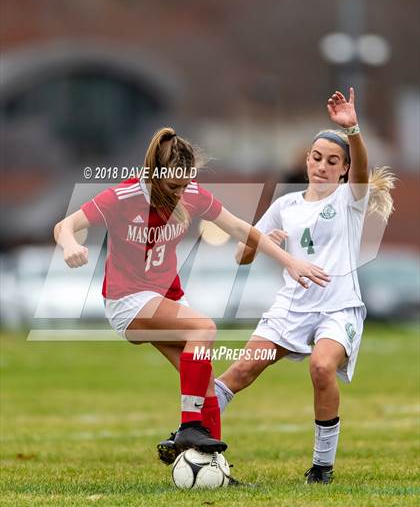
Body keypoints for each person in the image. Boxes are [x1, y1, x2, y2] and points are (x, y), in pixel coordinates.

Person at [54, 127, 329, 464]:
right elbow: (65, 225)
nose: (182, 192)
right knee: (204, 328)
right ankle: (188, 427)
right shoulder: (123, 197)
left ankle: (214, 466)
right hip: (128, 300)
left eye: (186, 185)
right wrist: (70, 245)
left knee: (205, 384)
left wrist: (290, 261)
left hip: (166, 298)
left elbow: (242, 229)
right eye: (174, 186)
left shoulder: (192, 192)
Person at [212, 88, 396, 484]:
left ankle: (322, 467)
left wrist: (353, 130)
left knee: (321, 366)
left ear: (345, 170)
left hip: (337, 307)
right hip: (291, 306)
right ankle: (191, 434)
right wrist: (265, 245)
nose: (323, 166)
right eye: (317, 158)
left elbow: (363, 168)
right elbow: (241, 257)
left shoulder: (351, 199)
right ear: (307, 161)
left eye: (334, 161)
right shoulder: (285, 206)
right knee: (241, 370)